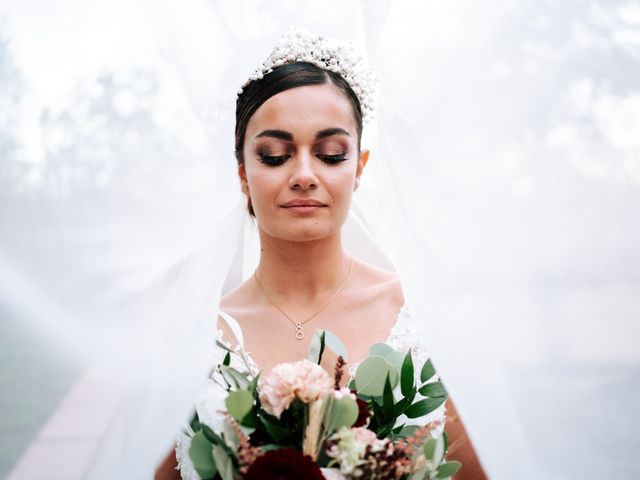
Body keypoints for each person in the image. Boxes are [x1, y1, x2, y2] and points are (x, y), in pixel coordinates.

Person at [156, 29, 486, 479]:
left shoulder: (423, 316)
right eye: (275, 155)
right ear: (242, 175)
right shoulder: (194, 335)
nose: (305, 175)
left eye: (331, 154)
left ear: (359, 169)